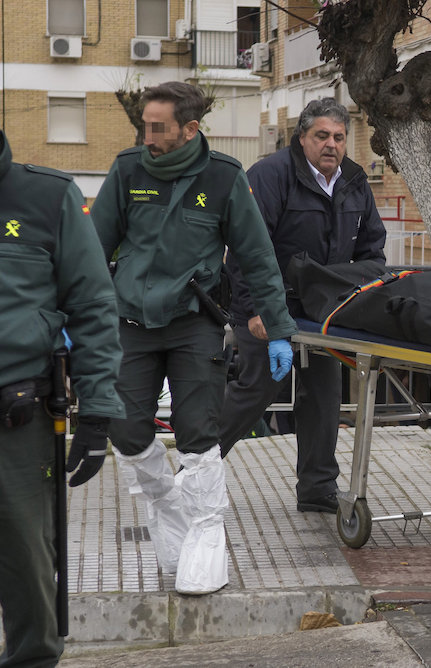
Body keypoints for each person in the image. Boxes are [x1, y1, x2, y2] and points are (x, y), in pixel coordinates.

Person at [90, 82, 297, 596]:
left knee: (197, 432)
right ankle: (168, 504)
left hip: (192, 323)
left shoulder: (223, 177)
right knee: (124, 427)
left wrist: (278, 330)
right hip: (131, 322)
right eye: (144, 124)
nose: (148, 135)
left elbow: (258, 258)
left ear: (189, 129)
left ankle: (206, 532)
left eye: (158, 127)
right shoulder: (127, 170)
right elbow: (92, 252)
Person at [219, 98, 386, 514]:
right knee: (258, 390)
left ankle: (317, 489)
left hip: (323, 313)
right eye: (322, 136)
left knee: (323, 398)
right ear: (303, 137)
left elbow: (373, 250)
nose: (331, 144)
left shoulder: (353, 180)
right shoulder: (270, 175)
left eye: (339, 137)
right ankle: (195, 466)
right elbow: (244, 250)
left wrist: (353, 298)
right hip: (267, 306)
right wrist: (256, 311)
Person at [0, 129, 125, 665]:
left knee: (26, 560)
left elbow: (94, 307)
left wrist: (97, 412)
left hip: (16, 419)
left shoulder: (47, 197)